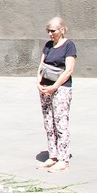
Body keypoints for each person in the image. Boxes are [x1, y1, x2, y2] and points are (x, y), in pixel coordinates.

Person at [36, 16, 76, 172]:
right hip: (45, 88)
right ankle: (53, 154)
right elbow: (42, 65)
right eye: (48, 31)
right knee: (48, 122)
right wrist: (38, 82)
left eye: (53, 31)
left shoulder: (69, 46)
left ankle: (63, 158)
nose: (50, 34)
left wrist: (54, 86)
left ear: (62, 30)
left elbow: (69, 70)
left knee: (60, 122)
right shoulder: (48, 45)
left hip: (61, 88)